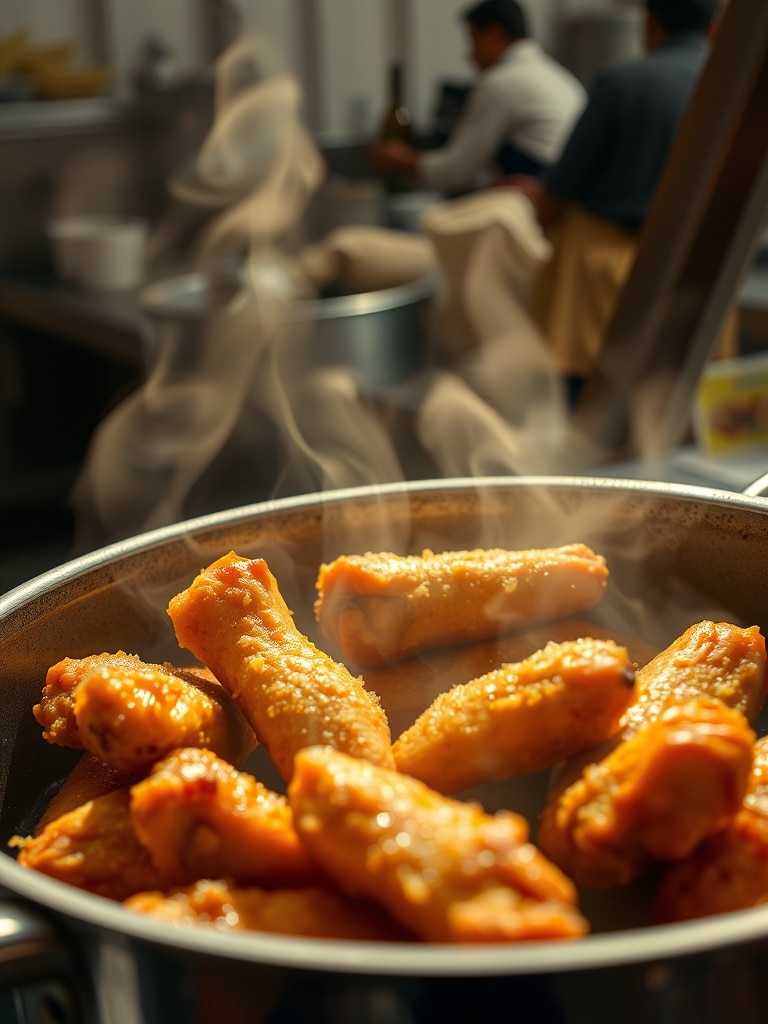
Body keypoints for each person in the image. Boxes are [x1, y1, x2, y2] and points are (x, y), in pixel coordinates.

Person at [525, 0, 733, 406]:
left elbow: (558, 192)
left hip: (606, 275)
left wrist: (538, 211)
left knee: (598, 408)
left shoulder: (622, 82)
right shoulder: (735, 87)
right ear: (714, 28)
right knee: (682, 406)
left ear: (650, 23)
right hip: (700, 268)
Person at [367, 0, 586, 195]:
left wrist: (404, 161)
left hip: (543, 211)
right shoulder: (558, 77)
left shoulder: (501, 82)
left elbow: (455, 173)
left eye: (473, 40)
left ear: (493, 33)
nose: (470, 56)